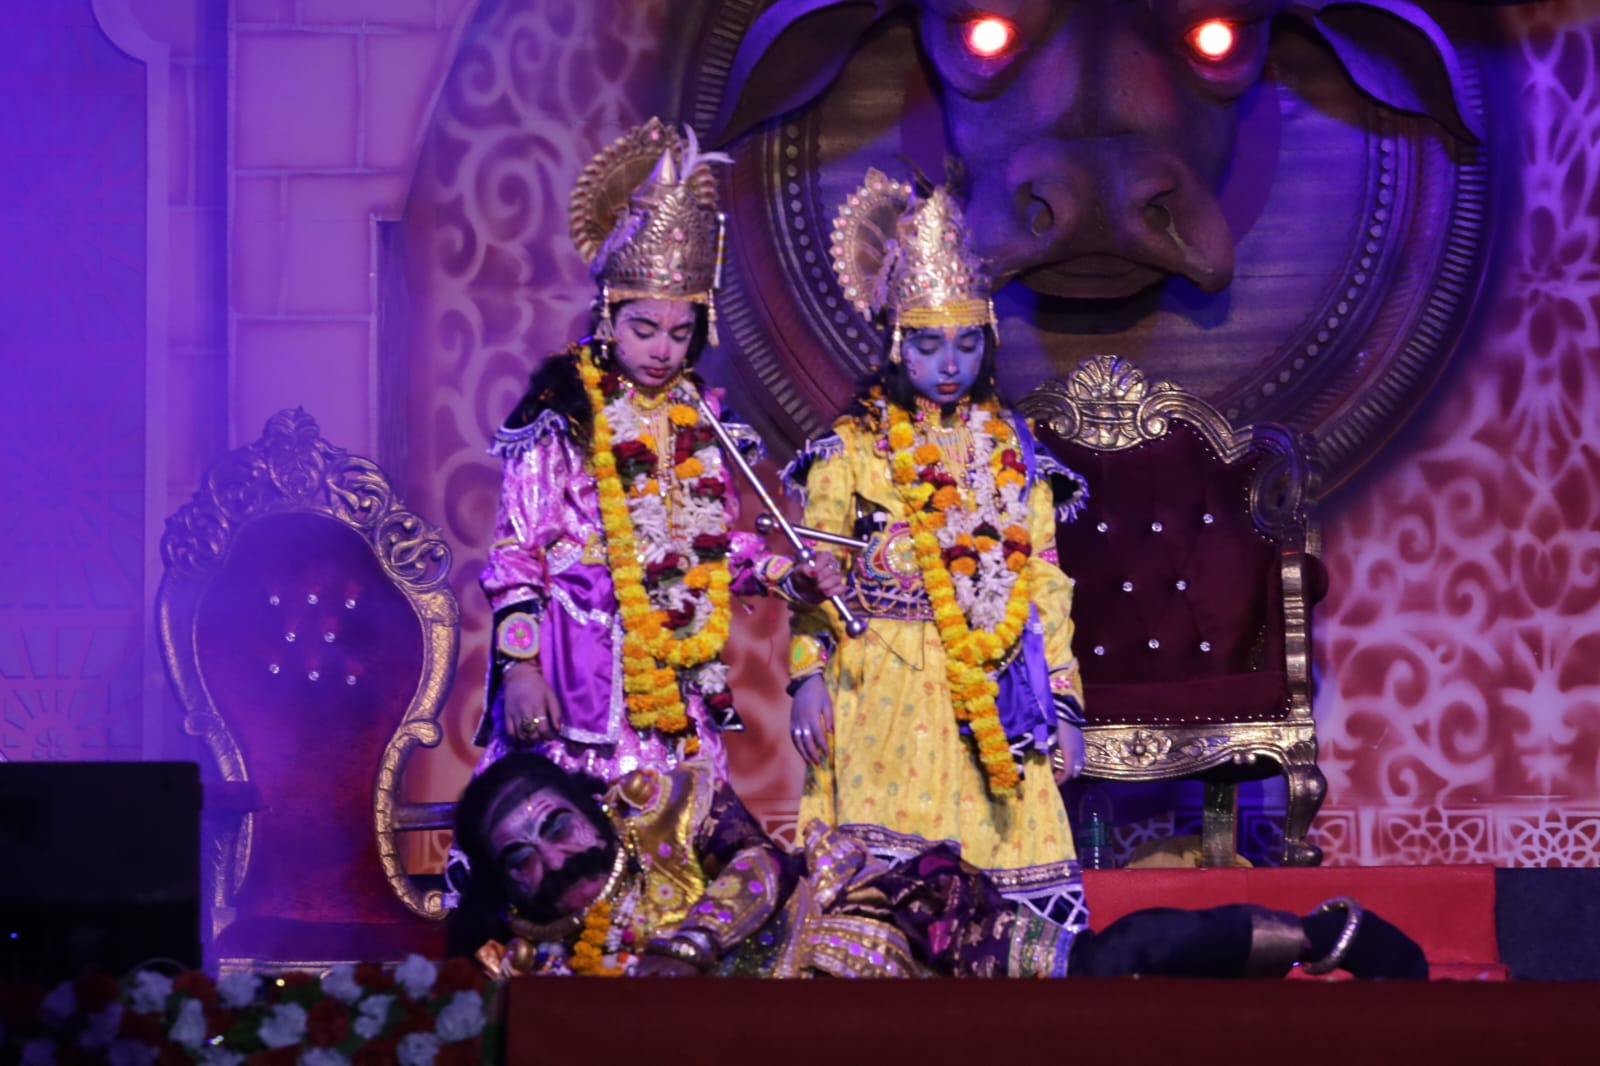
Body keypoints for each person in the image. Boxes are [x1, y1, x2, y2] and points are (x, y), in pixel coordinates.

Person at [465, 120, 842, 831]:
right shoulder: (560, 415)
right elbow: (517, 556)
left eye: (680, 332)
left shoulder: (700, 420)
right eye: (645, 330)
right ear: (609, 315)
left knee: (685, 853)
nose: (664, 350)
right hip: (574, 677)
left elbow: (715, 551)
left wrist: (787, 578)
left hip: (673, 682)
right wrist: (520, 669)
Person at [782, 169, 1089, 919]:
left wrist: (1066, 704)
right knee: (879, 911)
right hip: (878, 690)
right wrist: (806, 678)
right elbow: (816, 574)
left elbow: (1046, 585)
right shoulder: (850, 451)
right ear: (897, 346)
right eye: (927, 345)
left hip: (997, 686)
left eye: (965, 344)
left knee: (1007, 910)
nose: (949, 366)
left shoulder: (1017, 452)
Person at [446, 751, 1429, 981]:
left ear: (590, 808)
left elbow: (755, 870)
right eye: (521, 858)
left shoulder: (666, 807)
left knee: (1101, 970)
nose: (554, 859)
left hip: (879, 911)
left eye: (557, 825)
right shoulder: (539, 961)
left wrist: (685, 946)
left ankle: (1322, 932)